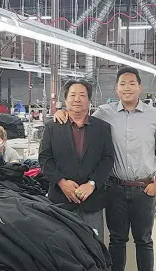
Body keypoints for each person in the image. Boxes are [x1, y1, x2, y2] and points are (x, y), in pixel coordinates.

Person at [52, 67, 156, 271]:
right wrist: (61, 111)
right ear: (115, 88)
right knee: (116, 241)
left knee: (144, 241)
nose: (126, 88)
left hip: (143, 189)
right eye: (122, 84)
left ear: (140, 87)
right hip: (114, 189)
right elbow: (80, 116)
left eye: (131, 83)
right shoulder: (104, 113)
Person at [38, 79, 114, 238]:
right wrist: (61, 182)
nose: (77, 99)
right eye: (72, 95)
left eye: (82, 95)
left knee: (94, 248)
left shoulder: (102, 128)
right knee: (62, 249)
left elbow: (107, 159)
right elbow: (45, 158)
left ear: (89, 100)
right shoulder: (52, 127)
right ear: (66, 100)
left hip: (92, 201)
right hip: (61, 200)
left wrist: (92, 184)